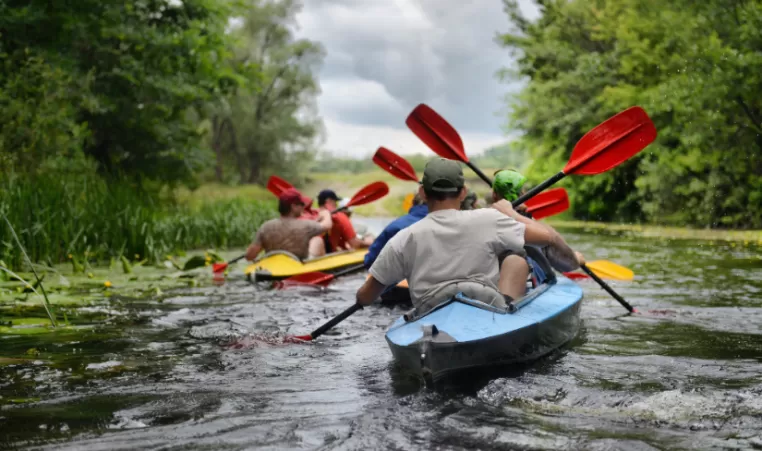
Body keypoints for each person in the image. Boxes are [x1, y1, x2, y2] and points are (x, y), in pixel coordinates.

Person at [356, 158, 584, 314]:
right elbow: (547, 237)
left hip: (429, 311)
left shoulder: (403, 238)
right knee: (516, 261)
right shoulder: (489, 219)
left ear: (422, 193)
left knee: (513, 260)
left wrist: (364, 295)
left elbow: (366, 297)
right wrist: (511, 214)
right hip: (487, 306)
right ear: (463, 192)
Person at [245, 188, 333, 261]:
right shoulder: (306, 225)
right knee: (318, 240)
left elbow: (249, 256)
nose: (303, 207)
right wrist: (326, 214)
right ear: (293, 206)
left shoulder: (265, 227)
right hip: (297, 269)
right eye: (301, 204)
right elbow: (328, 225)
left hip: (272, 271)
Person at [363, 193, 428, 269]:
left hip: (401, 277)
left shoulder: (395, 226)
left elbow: (371, 260)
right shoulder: (443, 225)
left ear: (413, 204)